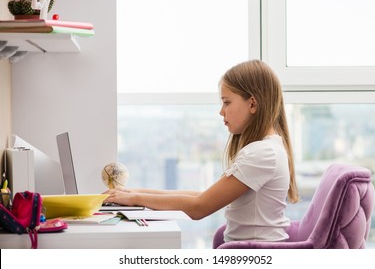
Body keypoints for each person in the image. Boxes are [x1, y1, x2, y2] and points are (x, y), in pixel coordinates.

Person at [104, 59, 298, 242]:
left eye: (227, 102)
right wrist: (134, 193)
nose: (221, 111)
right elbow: (201, 196)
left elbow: (199, 208)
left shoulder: (262, 153)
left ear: (252, 104)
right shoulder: (267, 148)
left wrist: (136, 198)